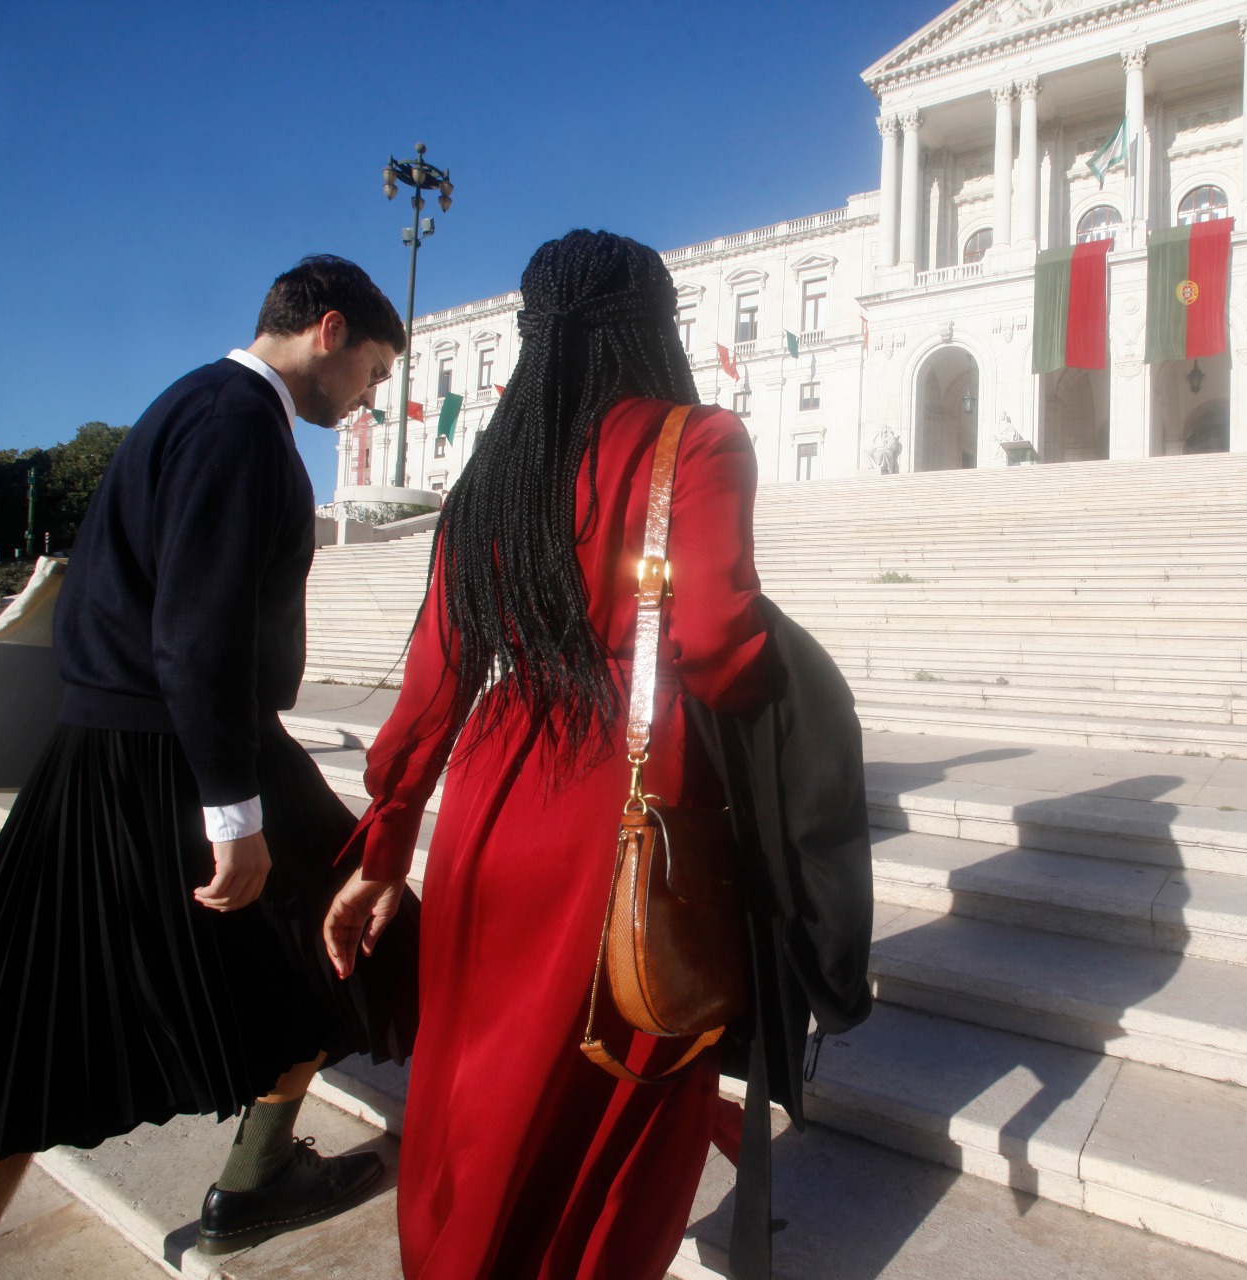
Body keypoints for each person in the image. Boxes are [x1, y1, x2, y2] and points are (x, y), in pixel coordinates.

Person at [0, 255, 421, 1278]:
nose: (370, 401)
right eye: (376, 373)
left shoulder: (188, 404)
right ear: (331, 330)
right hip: (184, 752)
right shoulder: (236, 424)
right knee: (364, 933)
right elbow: (196, 633)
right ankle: (255, 1181)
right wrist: (231, 811)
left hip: (107, 754)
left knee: (20, 1043)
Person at [324, 229, 772, 1279]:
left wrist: (383, 849)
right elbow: (714, 642)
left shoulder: (498, 467)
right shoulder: (695, 440)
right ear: (651, 322)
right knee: (618, 1088)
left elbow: (435, 678)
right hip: (624, 804)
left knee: (475, 1083)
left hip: (492, 796)